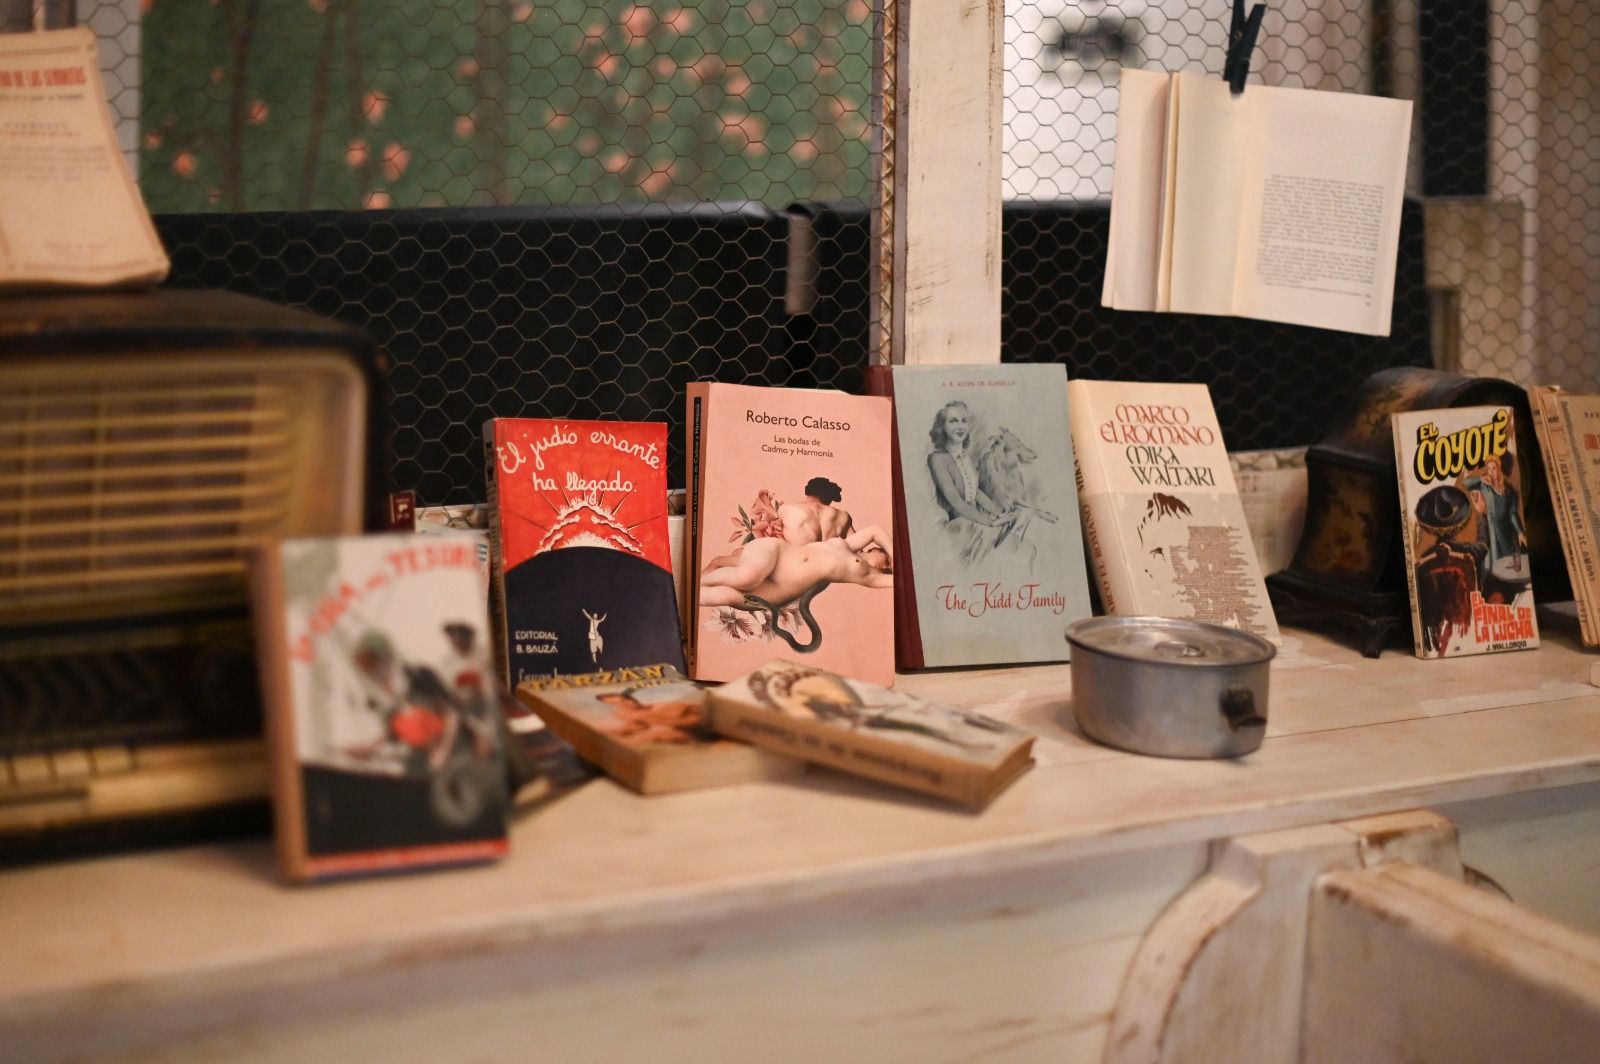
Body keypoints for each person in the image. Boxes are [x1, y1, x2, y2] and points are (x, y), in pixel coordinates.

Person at [699, 527, 893, 651]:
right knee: (747, 577)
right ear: (875, 549)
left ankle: (693, 593)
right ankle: (700, 580)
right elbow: (875, 530)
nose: (886, 568)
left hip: (778, 589)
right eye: (887, 561)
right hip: (778, 555)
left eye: (889, 570)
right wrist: (897, 556)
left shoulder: (867, 576)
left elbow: (895, 580)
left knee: (728, 596)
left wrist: (893, 571)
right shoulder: (847, 545)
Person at [778, 476, 855, 545]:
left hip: (801, 555)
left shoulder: (787, 509)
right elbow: (856, 546)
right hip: (829, 556)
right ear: (828, 496)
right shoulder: (843, 515)